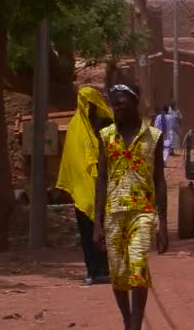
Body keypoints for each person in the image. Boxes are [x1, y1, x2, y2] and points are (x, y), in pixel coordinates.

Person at [94, 83, 168, 330]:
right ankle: (127, 320)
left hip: (143, 212)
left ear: (135, 104)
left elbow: (159, 179)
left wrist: (164, 224)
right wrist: (97, 223)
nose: (116, 110)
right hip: (113, 213)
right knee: (118, 274)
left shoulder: (154, 136)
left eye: (121, 105)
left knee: (137, 267)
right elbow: (101, 178)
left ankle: (135, 325)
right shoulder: (106, 136)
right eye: (114, 105)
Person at [56, 87, 112, 285]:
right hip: (83, 190)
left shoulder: (107, 124)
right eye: (85, 104)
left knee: (109, 229)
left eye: (92, 104)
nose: (90, 108)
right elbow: (72, 158)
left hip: (106, 186)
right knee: (88, 232)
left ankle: (109, 269)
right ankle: (94, 270)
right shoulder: (76, 126)